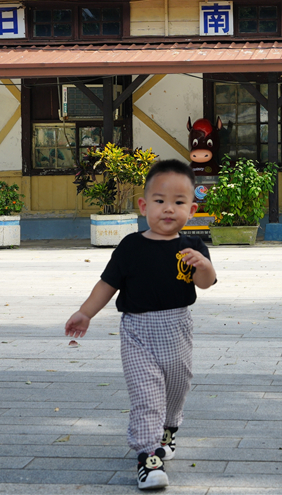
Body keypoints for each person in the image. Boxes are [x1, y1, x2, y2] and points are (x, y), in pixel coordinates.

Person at [65, 159, 217, 490]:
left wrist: (203, 265)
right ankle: (148, 457)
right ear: (144, 205)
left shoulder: (192, 247)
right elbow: (107, 284)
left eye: (178, 203)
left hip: (177, 329)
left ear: (191, 209)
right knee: (147, 395)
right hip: (137, 332)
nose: (168, 209)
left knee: (177, 387)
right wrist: (85, 313)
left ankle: (169, 429)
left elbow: (206, 283)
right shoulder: (131, 247)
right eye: (160, 201)